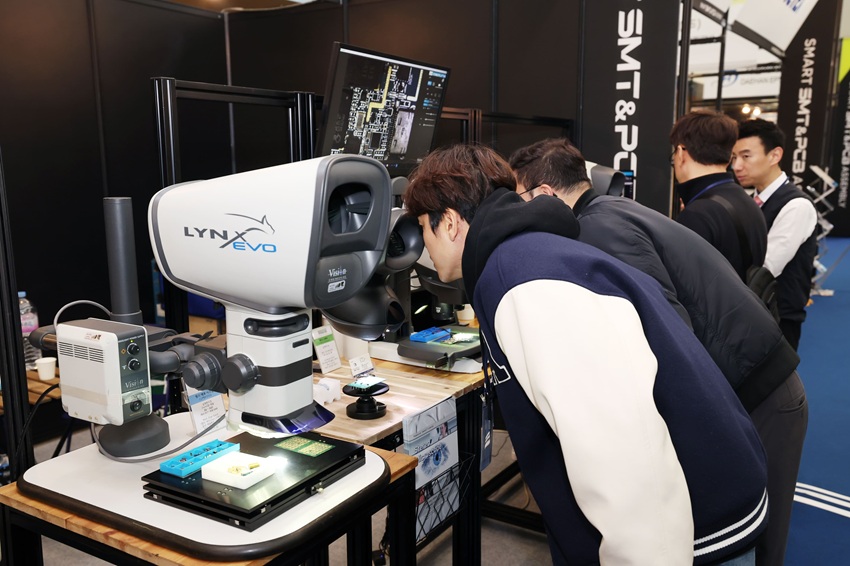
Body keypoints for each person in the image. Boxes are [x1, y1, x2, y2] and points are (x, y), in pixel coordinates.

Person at [404, 144, 768, 565]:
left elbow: (622, 453)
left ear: (449, 222)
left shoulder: (524, 280)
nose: (424, 245)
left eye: (424, 227)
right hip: (699, 498)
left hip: (693, 529)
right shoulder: (528, 254)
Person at [510, 137, 807, 566]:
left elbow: (667, 330)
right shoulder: (611, 211)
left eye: (519, 197)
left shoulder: (596, 229)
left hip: (761, 393)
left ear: (544, 193)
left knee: (754, 538)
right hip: (751, 378)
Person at [732, 118, 818, 352]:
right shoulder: (754, 201)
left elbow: (766, 267)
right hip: (752, 312)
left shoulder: (796, 205)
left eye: (746, 156)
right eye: (734, 157)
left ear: (775, 155)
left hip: (778, 318)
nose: (737, 166)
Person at [670, 109, 768, 282]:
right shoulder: (745, 200)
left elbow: (682, 285)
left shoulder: (698, 214)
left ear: (680, 153)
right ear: (729, 157)